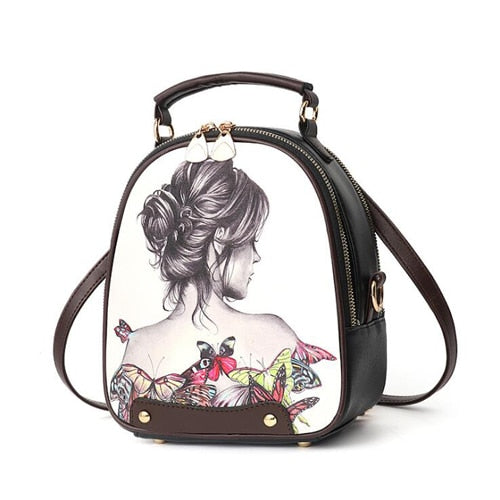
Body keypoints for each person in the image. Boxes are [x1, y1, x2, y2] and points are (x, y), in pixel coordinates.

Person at [110, 159, 334, 428]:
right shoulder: (275, 334)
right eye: (251, 241)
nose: (256, 256)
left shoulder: (138, 345)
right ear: (221, 237)